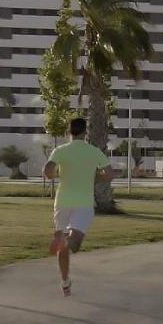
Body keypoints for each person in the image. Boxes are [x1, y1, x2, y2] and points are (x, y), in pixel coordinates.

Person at [43, 117, 113, 297]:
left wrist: (57, 175)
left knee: (63, 247)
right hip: (83, 203)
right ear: (85, 132)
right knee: (74, 243)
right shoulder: (94, 151)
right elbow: (109, 174)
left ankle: (65, 281)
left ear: (69, 131)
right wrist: (93, 177)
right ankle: (64, 241)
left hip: (62, 202)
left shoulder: (60, 150)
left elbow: (47, 172)